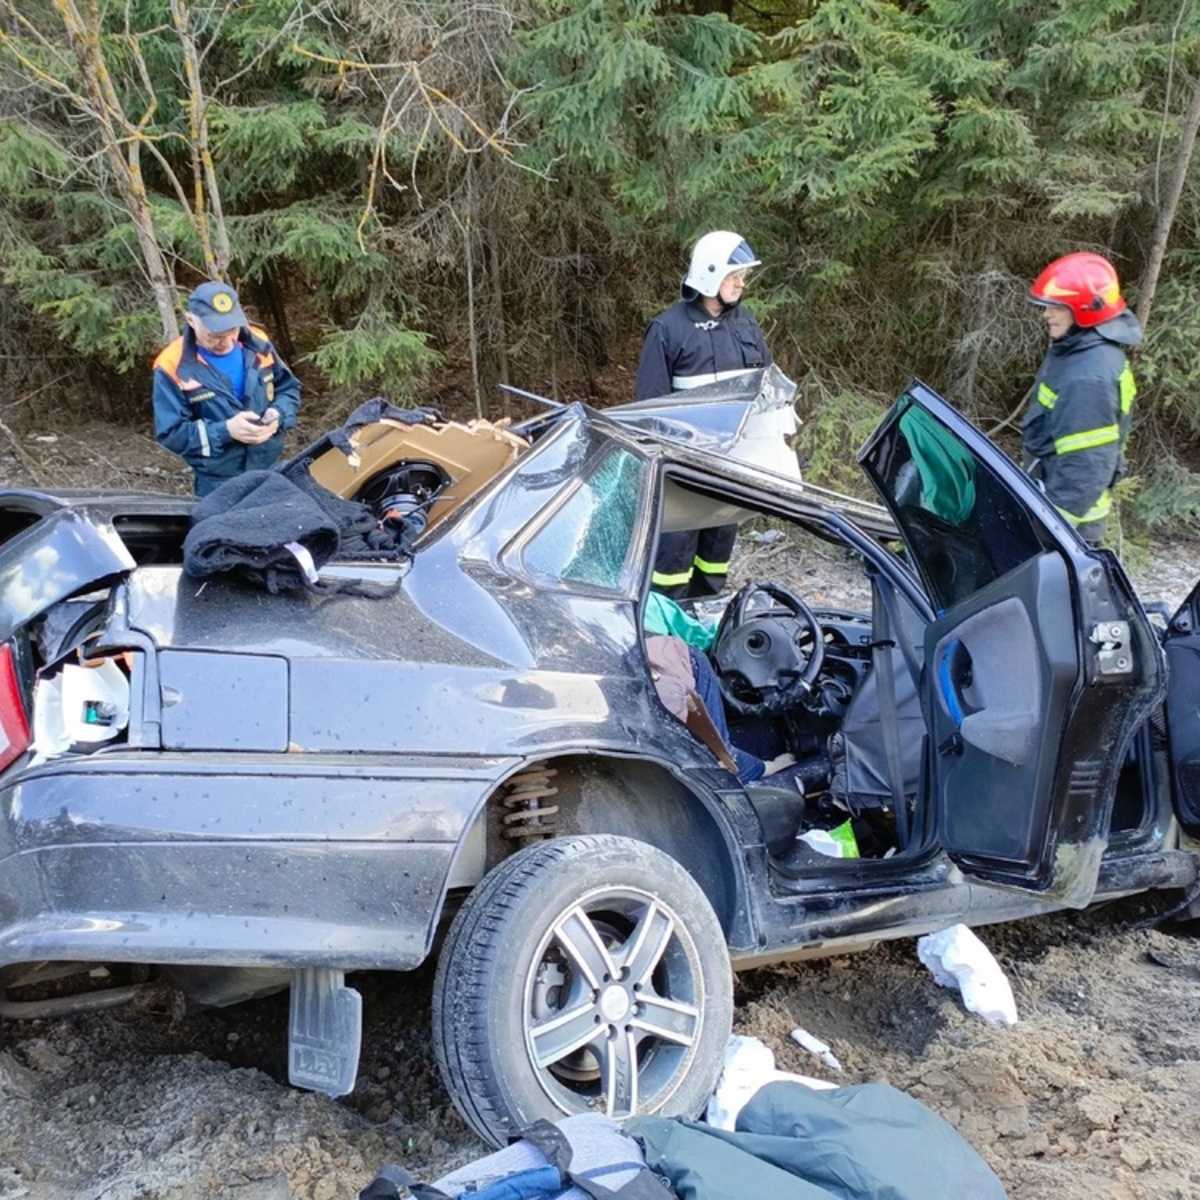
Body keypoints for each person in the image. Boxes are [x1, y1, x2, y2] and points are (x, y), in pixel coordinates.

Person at [636, 231, 772, 599]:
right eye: (733, 275)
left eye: (742, 275)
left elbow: (765, 389)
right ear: (710, 274)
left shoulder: (746, 325)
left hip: (731, 467)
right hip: (683, 470)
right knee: (671, 563)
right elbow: (648, 408)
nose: (741, 283)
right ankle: (662, 638)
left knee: (716, 556)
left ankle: (704, 625)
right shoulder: (668, 329)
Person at [1022, 251, 1141, 546]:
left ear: (1086, 309)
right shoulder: (1079, 350)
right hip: (1054, 501)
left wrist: (1050, 529)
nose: (1046, 314)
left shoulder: (1089, 377)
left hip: (1068, 523)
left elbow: (1086, 465)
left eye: (1056, 307)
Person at [153, 281, 301, 497]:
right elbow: (172, 433)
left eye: (232, 330)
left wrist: (278, 414)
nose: (227, 341)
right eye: (215, 335)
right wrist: (226, 431)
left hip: (272, 471)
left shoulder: (258, 343)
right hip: (218, 486)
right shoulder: (172, 365)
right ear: (191, 320)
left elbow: (288, 389)